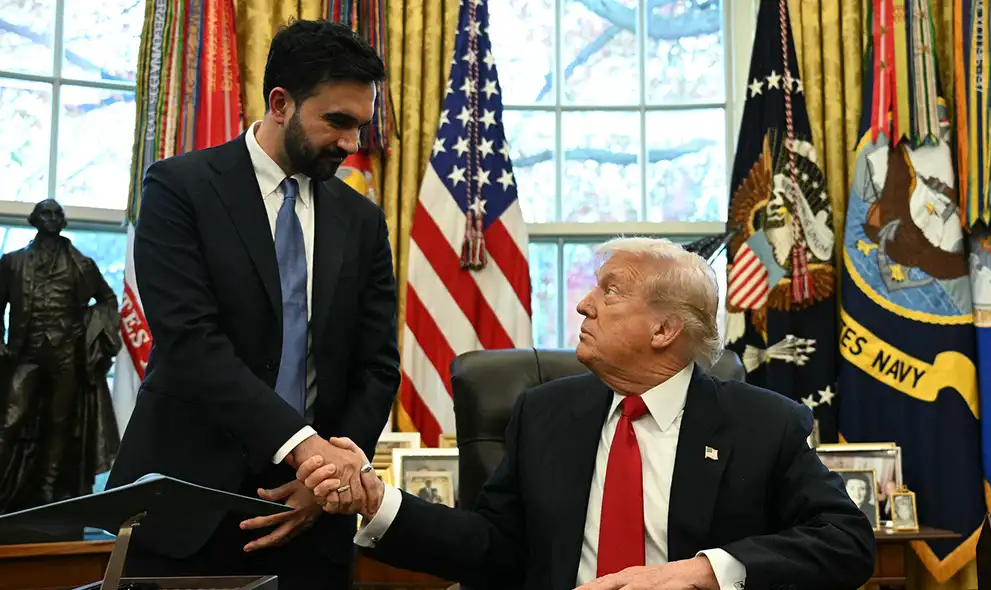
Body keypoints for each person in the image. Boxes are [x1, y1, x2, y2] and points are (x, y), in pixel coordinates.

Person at [299, 238, 878, 590]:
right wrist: (379, 500)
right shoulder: (546, 414)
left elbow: (846, 542)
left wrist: (702, 571)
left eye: (611, 290)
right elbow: (491, 548)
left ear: (664, 328)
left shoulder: (763, 424)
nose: (583, 303)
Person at [106, 20, 398, 590]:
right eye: (336, 122)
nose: (349, 144)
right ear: (281, 103)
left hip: (315, 518)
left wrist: (332, 473)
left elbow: (377, 364)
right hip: (184, 509)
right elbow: (192, 343)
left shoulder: (361, 220)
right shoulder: (179, 187)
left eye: (359, 127)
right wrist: (306, 449)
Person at [0, 199, 121, 513]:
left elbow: (108, 300)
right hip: (26, 353)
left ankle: (47, 492)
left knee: (60, 422)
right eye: (46, 213)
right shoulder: (13, 262)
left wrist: (89, 328)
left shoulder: (81, 265)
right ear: (35, 219)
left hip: (66, 354)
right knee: (11, 418)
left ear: (63, 221)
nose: (52, 218)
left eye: (57, 214)